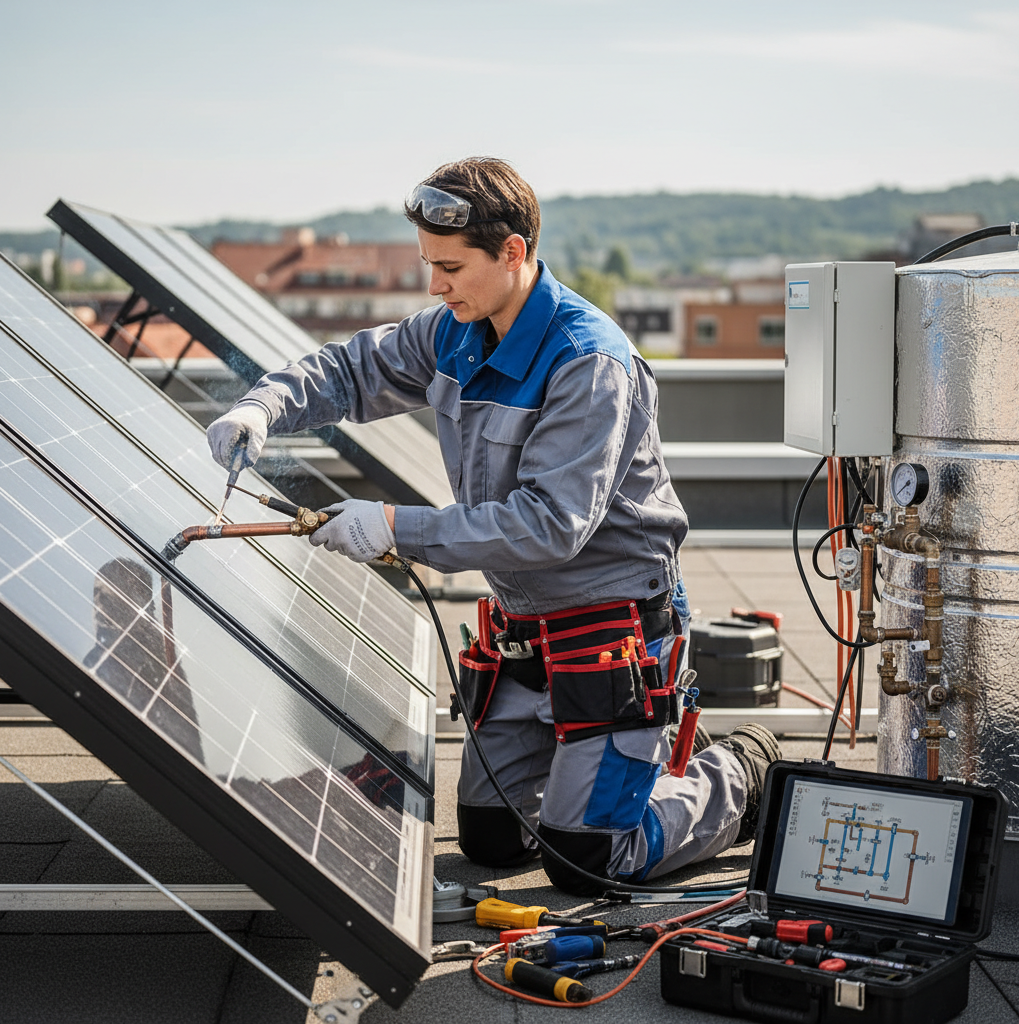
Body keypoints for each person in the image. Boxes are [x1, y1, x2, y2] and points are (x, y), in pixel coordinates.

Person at [206, 157, 779, 894]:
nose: (434, 286)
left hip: (612, 632)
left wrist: (394, 527)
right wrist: (263, 407)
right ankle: (597, 770)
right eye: (428, 264)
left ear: (512, 252)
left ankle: (738, 773)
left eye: (450, 267)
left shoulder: (587, 362)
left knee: (587, 860)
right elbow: (351, 370)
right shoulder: (456, 331)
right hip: (524, 633)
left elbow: (550, 526)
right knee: (491, 839)